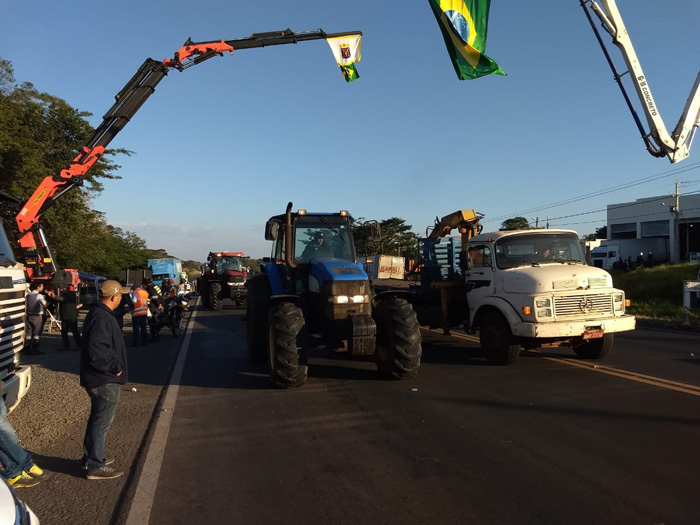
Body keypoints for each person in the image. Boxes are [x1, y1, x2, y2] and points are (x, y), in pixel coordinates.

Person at [80, 279, 130, 480]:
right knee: (101, 422)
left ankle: (91, 457)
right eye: (120, 296)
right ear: (113, 296)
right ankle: (95, 465)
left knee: (97, 420)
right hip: (103, 379)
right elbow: (97, 350)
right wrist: (115, 367)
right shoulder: (102, 317)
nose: (121, 299)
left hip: (98, 377)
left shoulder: (99, 313)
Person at [53, 287, 83, 351]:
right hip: (64, 316)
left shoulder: (71, 294)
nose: (61, 290)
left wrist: (55, 296)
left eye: (63, 288)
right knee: (64, 332)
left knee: (75, 331)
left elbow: (64, 299)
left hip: (71, 316)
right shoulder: (62, 295)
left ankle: (79, 345)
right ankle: (66, 345)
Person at [25, 282, 49, 355]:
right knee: (37, 333)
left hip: (29, 316)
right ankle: (35, 349)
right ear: (38, 287)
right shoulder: (39, 296)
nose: (42, 287)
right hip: (37, 316)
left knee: (28, 333)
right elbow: (45, 305)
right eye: (42, 286)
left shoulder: (28, 295)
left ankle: (27, 349)